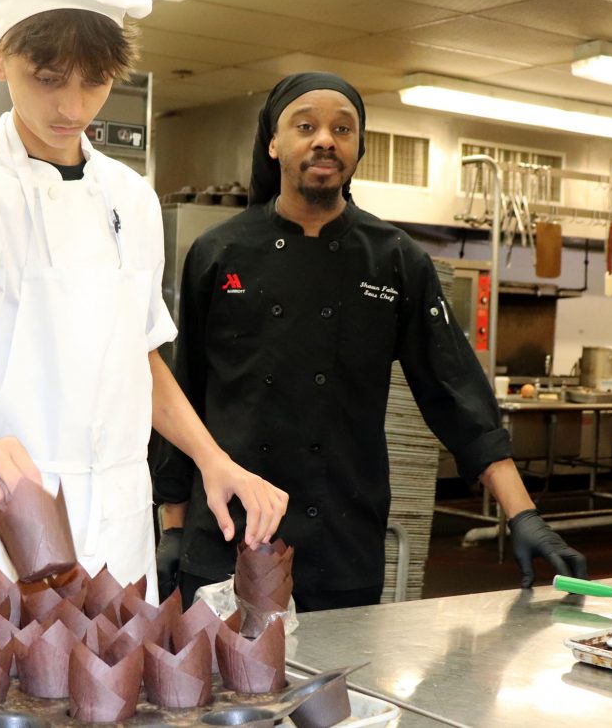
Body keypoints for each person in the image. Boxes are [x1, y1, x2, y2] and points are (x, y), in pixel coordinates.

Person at [0, 0, 287, 604]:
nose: (72, 106)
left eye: (95, 82)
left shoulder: (130, 198)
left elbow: (136, 356)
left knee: (118, 694)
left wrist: (212, 459)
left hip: (116, 530)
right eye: (48, 79)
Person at [154, 72, 587, 611]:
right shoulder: (219, 252)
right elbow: (183, 390)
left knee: (335, 693)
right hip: (225, 533)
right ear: (272, 141)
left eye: (343, 129)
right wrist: (172, 523)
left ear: (358, 148)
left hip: (340, 540)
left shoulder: (395, 258)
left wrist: (524, 517)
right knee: (221, 689)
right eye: (305, 125)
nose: (325, 140)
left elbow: (455, 392)